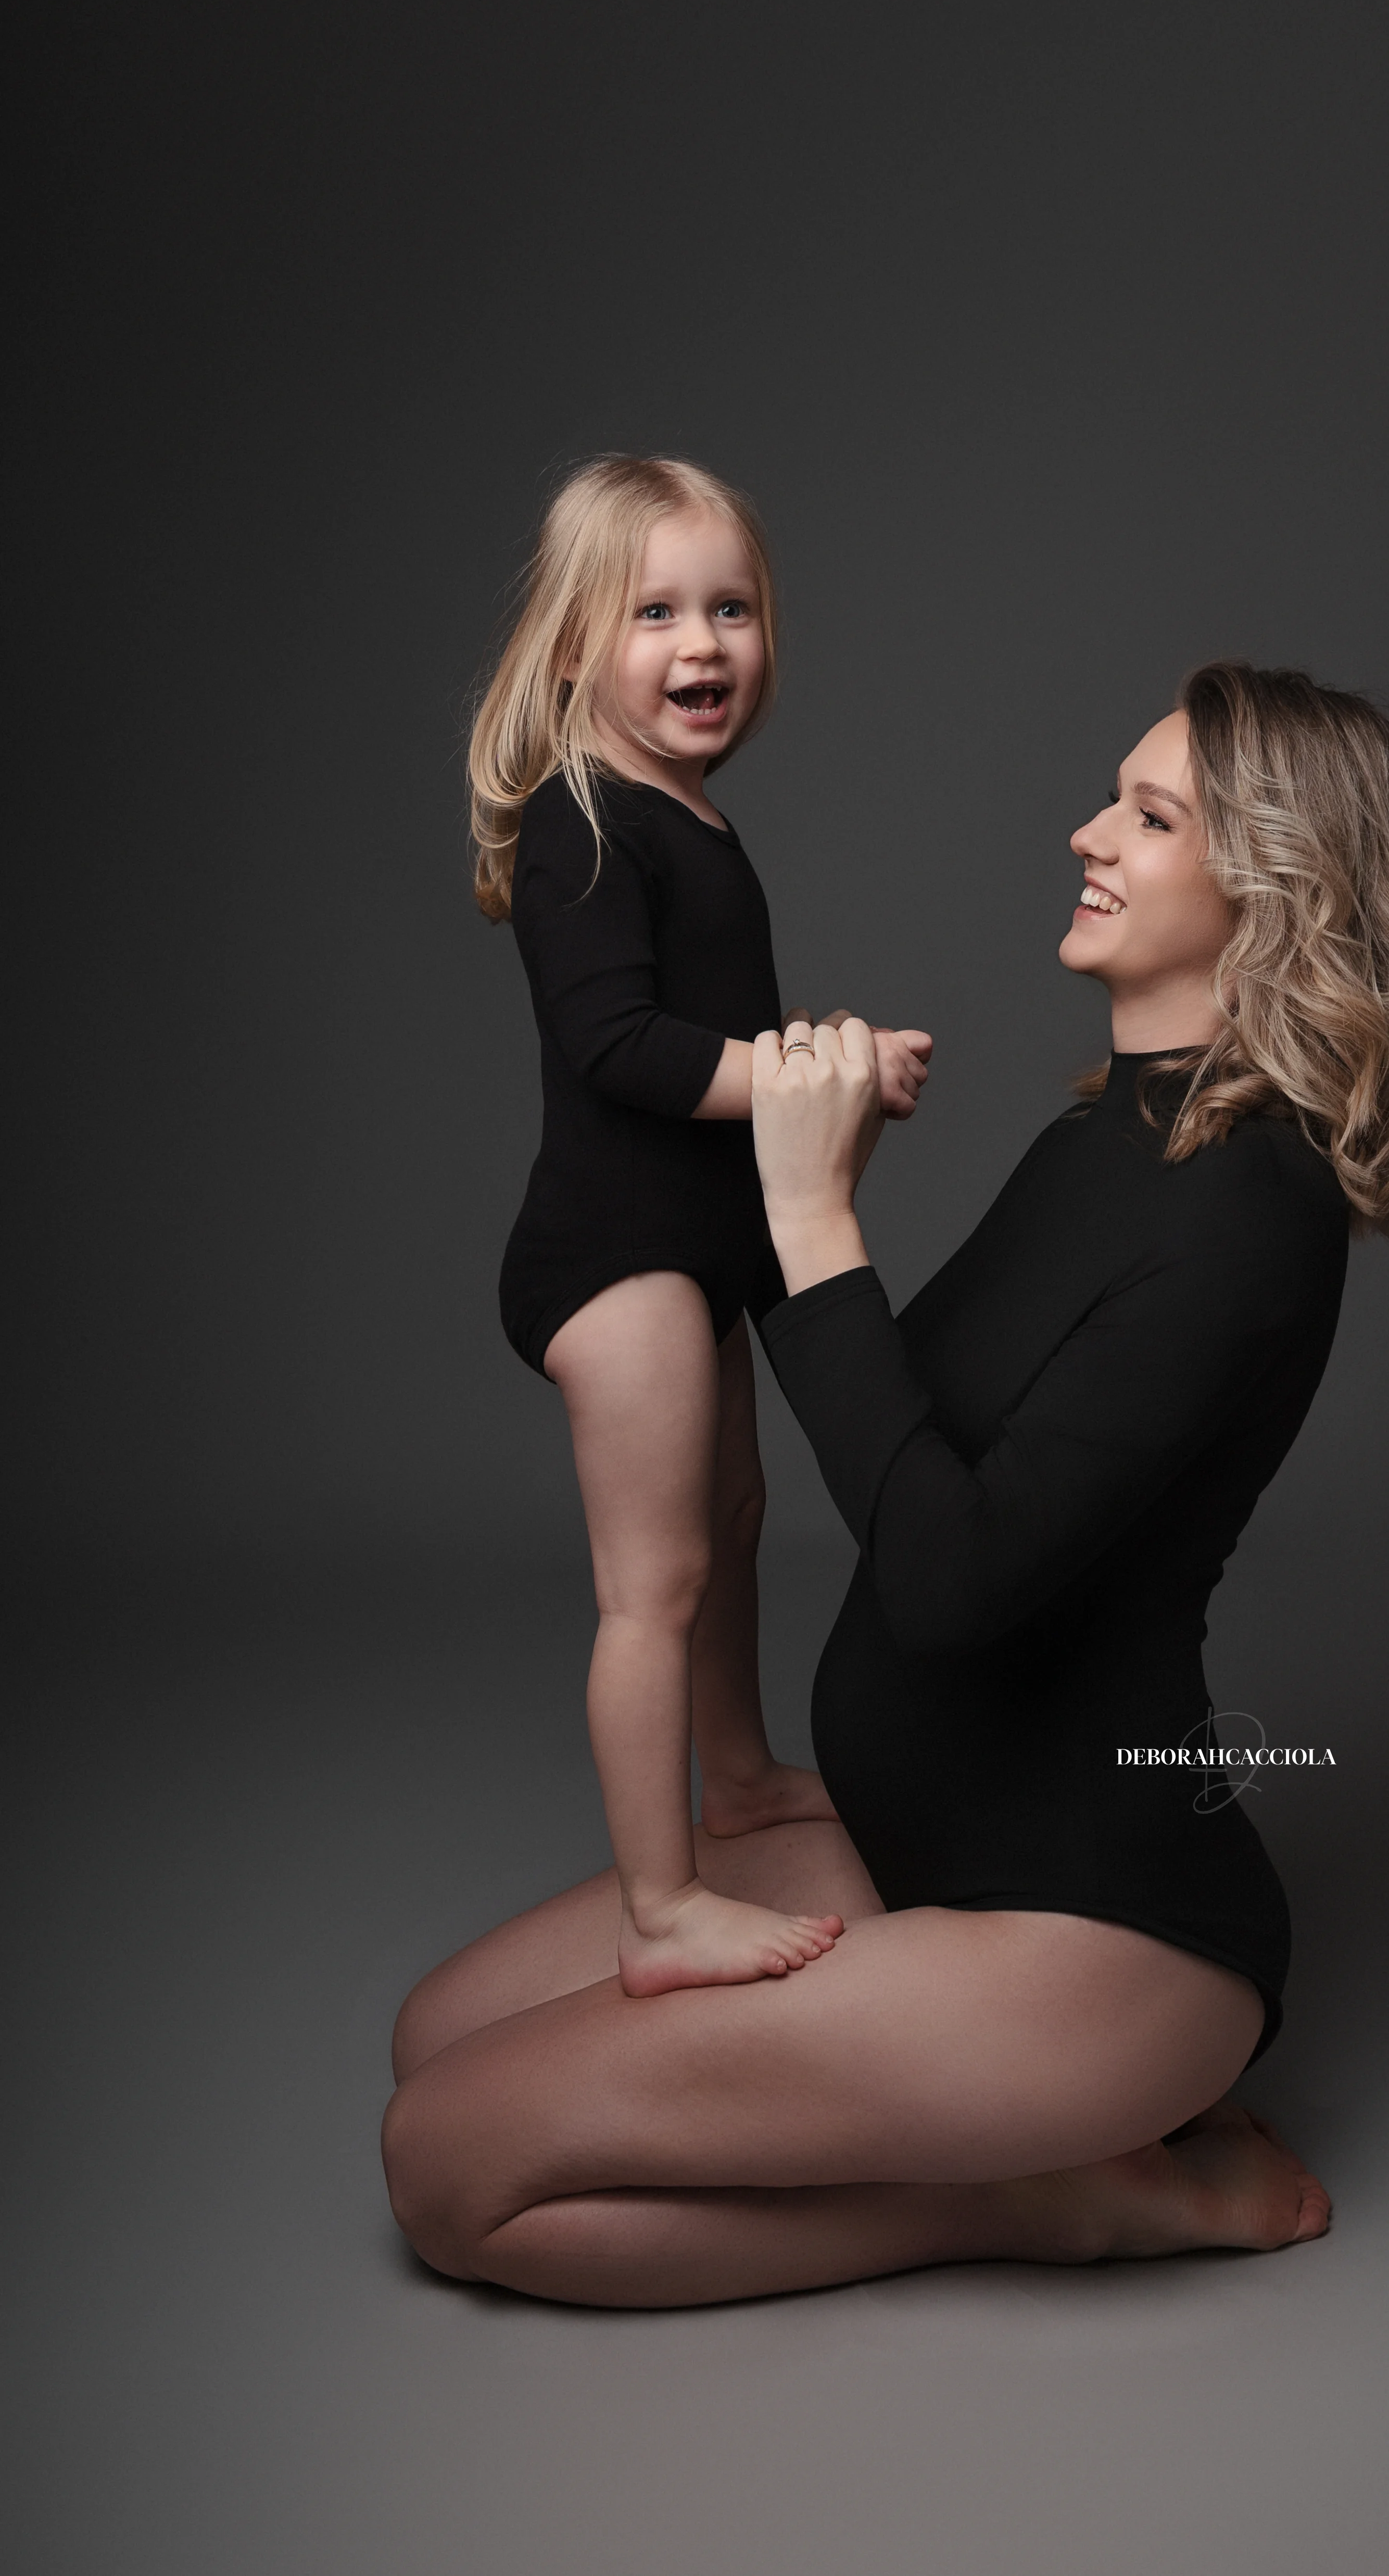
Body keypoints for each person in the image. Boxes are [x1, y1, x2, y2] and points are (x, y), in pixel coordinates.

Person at [388, 660, 1389, 2307]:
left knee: (452, 2175)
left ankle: (1057, 2204)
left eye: (1149, 813)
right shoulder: (1106, 1143)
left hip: (1097, 1933)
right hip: (920, 1841)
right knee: (431, 2038)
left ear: (1272, 886)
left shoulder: (1254, 1213)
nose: (1087, 831)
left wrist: (821, 1227)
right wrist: (770, 1202)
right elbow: (901, 1426)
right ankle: (1029, 2161)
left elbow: (952, 1580)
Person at [466, 455, 932, 1997]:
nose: (703, 645)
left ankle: (737, 1780)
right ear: (573, 643)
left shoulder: (686, 814)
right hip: (617, 1258)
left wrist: (819, 1058)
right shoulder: (579, 814)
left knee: (728, 1529)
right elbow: (622, 1050)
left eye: (730, 608)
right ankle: (660, 1912)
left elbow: (707, 1027)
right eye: (655, 611)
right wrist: (821, 1076)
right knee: (649, 1585)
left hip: (697, 1245)